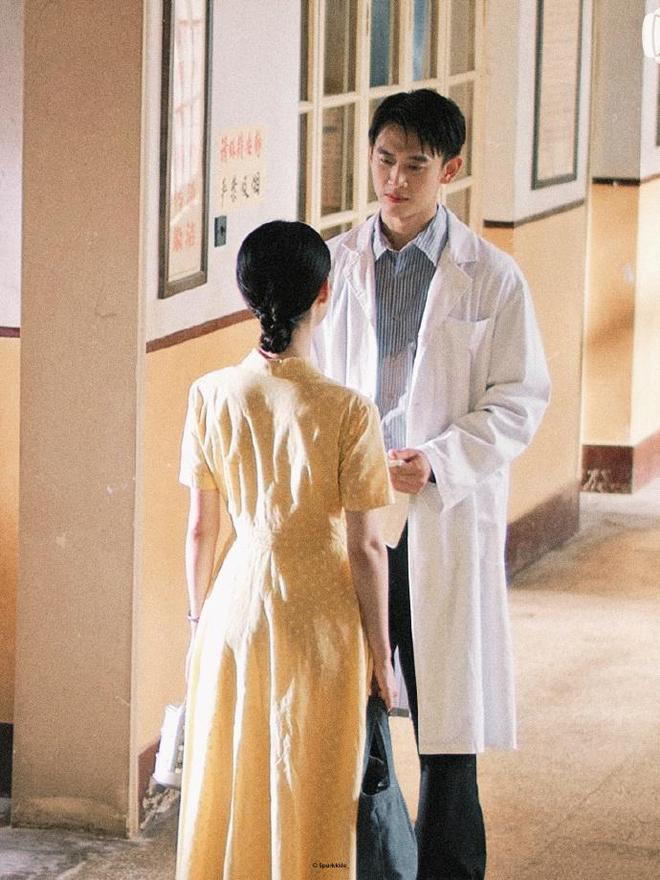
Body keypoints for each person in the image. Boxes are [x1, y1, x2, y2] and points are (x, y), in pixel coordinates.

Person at [313, 89, 551, 880]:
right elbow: (311, 382)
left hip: (440, 509)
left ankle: (449, 869)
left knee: (448, 725)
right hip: (356, 511)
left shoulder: (493, 277)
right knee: (358, 710)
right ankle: (371, 867)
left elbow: (520, 399)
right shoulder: (335, 266)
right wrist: (353, 461)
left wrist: (441, 458)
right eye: (384, 160)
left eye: (416, 165)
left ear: (450, 170)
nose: (395, 180)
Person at [175, 220, 398, 880]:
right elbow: (366, 546)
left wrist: (198, 621)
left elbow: (200, 529)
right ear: (324, 293)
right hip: (320, 615)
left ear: (248, 297)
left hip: (233, 610)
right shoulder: (349, 410)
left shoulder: (209, 394)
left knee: (234, 772)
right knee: (315, 778)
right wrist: (381, 654)